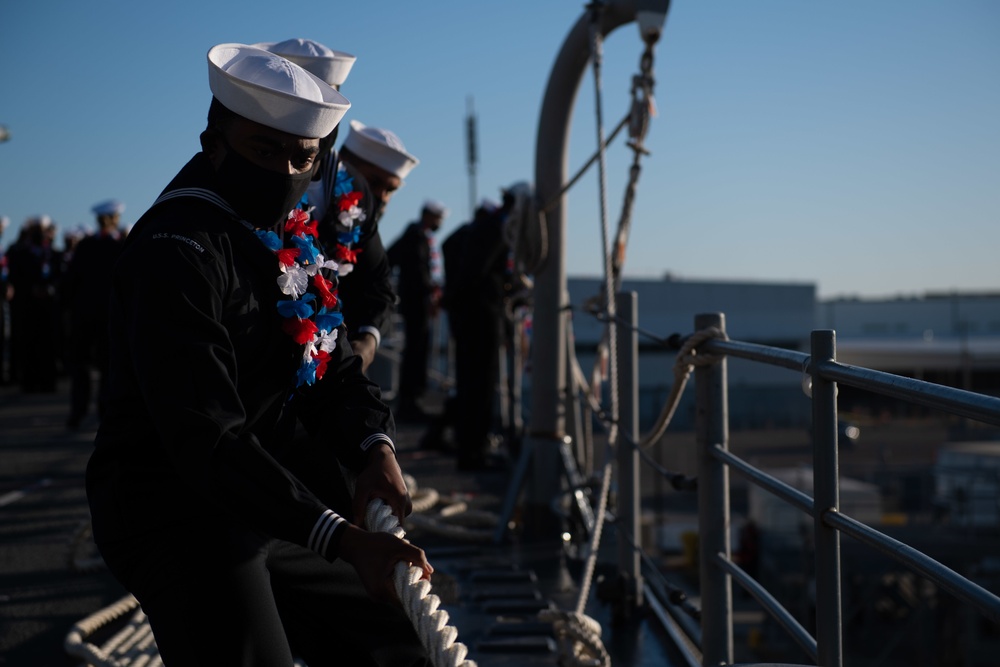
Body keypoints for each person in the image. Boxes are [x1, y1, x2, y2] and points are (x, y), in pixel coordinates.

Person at [85, 43, 431, 667]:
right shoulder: (177, 251)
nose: (284, 171)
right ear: (213, 143)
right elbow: (206, 438)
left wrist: (372, 447)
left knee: (397, 642)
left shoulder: (286, 236)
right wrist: (346, 541)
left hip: (268, 490)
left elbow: (329, 363)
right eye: (263, 150)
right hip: (176, 510)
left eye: (302, 157)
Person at [445, 197, 515, 470]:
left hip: (468, 318)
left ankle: (470, 447)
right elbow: (480, 271)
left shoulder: (471, 233)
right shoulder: (493, 231)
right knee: (482, 385)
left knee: (470, 385)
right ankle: (474, 452)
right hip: (482, 318)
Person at [64, 200, 126, 429]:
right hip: (109, 316)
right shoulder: (121, 246)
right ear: (114, 218)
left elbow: (70, 282)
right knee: (107, 367)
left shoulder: (85, 246)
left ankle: (77, 412)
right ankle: (105, 413)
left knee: (81, 368)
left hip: (84, 316)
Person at [386, 200, 447, 421]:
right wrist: (430, 288)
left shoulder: (414, 233)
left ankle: (412, 398)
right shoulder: (416, 235)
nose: (440, 223)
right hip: (416, 301)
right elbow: (418, 270)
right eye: (438, 218)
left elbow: (391, 256)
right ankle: (411, 401)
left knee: (417, 348)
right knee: (416, 349)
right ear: (429, 216)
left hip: (416, 300)